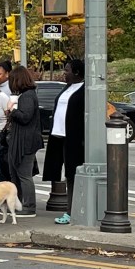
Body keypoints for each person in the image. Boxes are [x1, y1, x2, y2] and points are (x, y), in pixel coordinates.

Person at [43, 58, 84, 224]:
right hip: (58, 135)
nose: (64, 73)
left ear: (76, 72)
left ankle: (72, 211)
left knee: (72, 175)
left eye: (67, 70)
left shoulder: (84, 90)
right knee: (60, 172)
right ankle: (69, 209)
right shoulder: (67, 88)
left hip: (74, 138)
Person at [5, 65, 44, 217]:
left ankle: (29, 206)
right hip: (23, 140)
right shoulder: (28, 94)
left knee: (23, 174)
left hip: (25, 141)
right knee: (17, 173)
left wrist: (12, 110)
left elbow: (25, 117)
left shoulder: (27, 96)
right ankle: (19, 204)